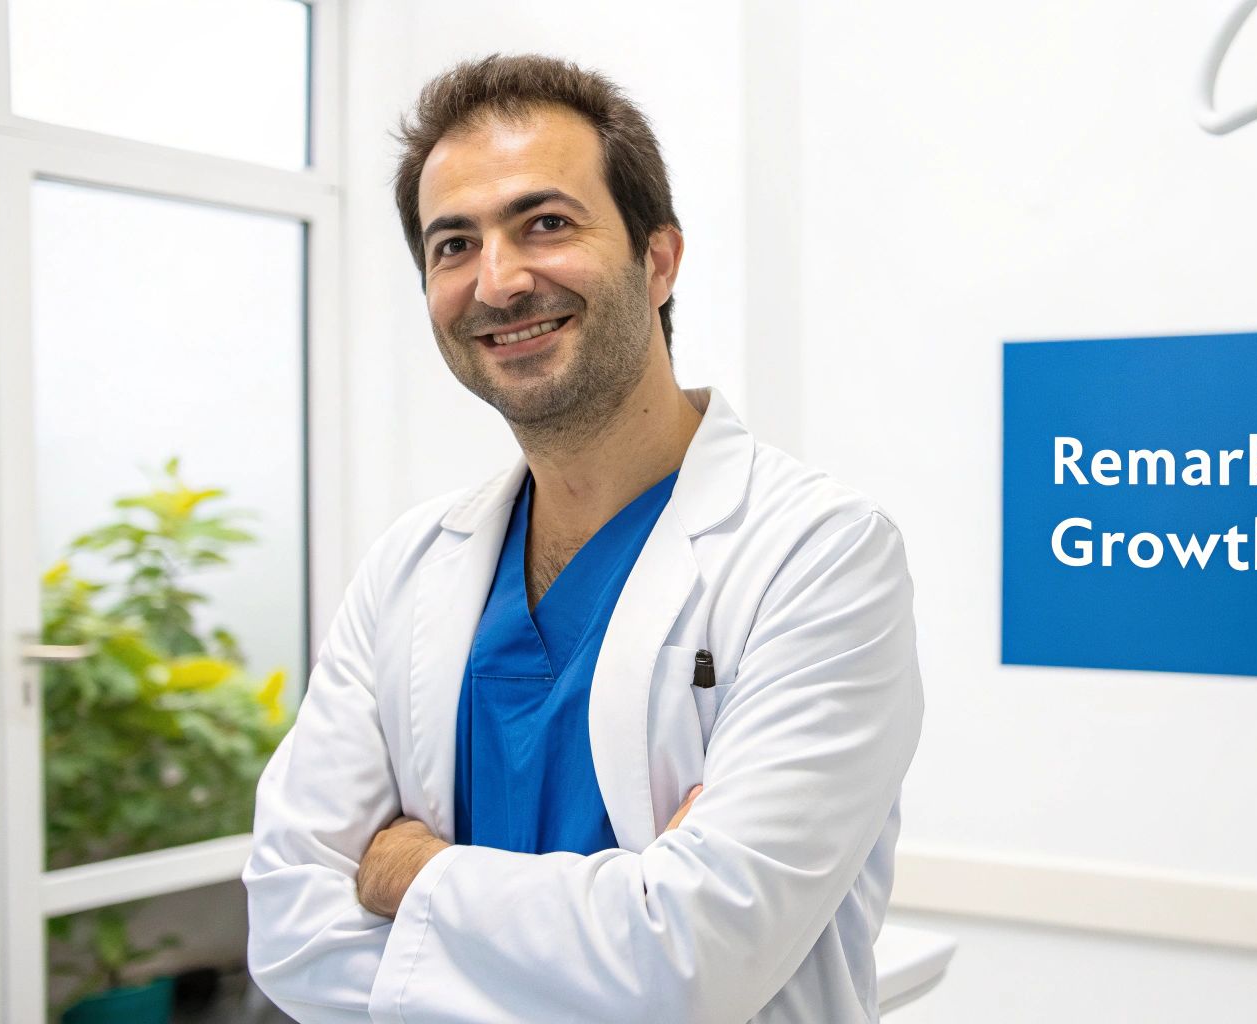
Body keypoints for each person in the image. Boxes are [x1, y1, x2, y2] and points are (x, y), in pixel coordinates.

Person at [244, 53, 924, 1023]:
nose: (498, 280)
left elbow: (686, 962)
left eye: (545, 224)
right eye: (452, 244)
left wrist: (409, 875)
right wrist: (624, 908)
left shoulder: (818, 554)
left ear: (658, 260)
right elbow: (290, 924)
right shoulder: (409, 564)